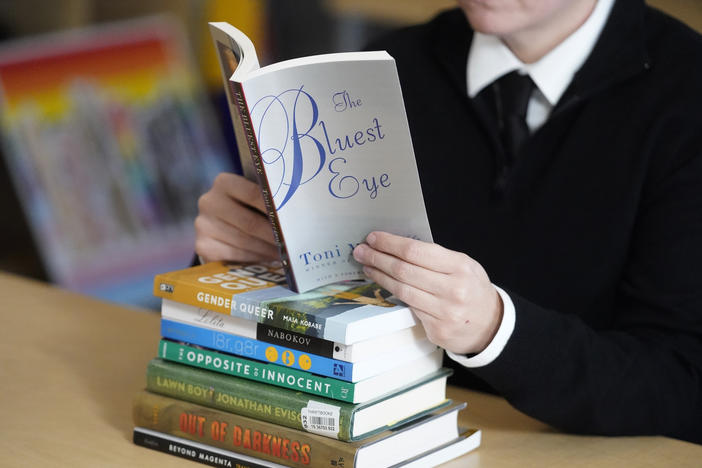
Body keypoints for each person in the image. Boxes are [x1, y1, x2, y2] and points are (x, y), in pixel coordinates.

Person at [195, 0, 702, 443]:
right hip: (377, 432)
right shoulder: (387, 68)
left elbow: (682, 382)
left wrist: (496, 332)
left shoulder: (685, 95)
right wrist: (230, 255)